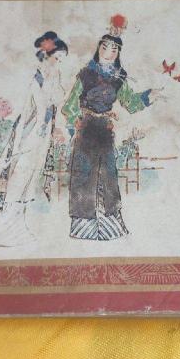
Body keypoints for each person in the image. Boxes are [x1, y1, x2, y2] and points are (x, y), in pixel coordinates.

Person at [0, 31, 69, 247]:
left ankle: (16, 226)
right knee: (16, 179)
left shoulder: (54, 78)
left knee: (28, 180)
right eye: (57, 58)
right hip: (27, 136)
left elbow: (57, 104)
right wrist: (24, 139)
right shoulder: (35, 78)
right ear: (47, 55)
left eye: (61, 60)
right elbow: (32, 111)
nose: (58, 63)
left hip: (41, 138)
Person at [62, 14, 159, 240]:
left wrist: (148, 97)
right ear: (98, 48)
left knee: (107, 175)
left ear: (118, 52)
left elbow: (130, 103)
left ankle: (110, 227)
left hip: (105, 130)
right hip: (86, 128)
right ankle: (82, 228)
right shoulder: (85, 74)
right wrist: (76, 121)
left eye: (114, 49)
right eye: (105, 47)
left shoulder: (119, 78)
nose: (109, 52)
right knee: (84, 175)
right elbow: (69, 106)